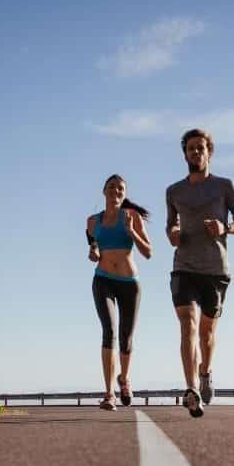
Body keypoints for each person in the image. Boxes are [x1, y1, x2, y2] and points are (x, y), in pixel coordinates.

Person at [165, 128, 234, 418]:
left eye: (201, 148)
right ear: (185, 154)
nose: (196, 153)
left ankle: (205, 372)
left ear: (209, 152)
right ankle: (191, 389)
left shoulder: (225, 186)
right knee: (187, 323)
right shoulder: (174, 191)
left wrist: (226, 228)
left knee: (207, 333)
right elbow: (170, 225)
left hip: (215, 269)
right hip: (184, 267)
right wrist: (173, 232)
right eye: (191, 148)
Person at [87, 174, 153, 410]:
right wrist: (94, 252)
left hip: (129, 283)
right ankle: (109, 394)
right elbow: (93, 248)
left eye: (121, 188)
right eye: (112, 187)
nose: (116, 191)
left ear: (124, 194)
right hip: (103, 279)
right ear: (104, 191)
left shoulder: (132, 216)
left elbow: (148, 252)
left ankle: (124, 379)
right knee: (109, 331)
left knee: (126, 339)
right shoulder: (92, 222)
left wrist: (132, 231)